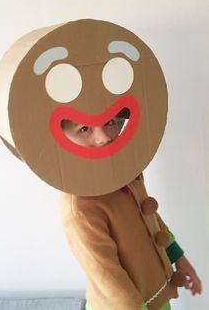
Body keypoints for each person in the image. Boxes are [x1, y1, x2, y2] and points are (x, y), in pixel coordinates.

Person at [59, 118, 202, 310]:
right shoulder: (79, 206)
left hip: (154, 298)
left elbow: (150, 218)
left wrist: (179, 258)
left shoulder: (125, 172)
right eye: (84, 128)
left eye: (109, 122)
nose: (105, 137)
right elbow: (107, 275)